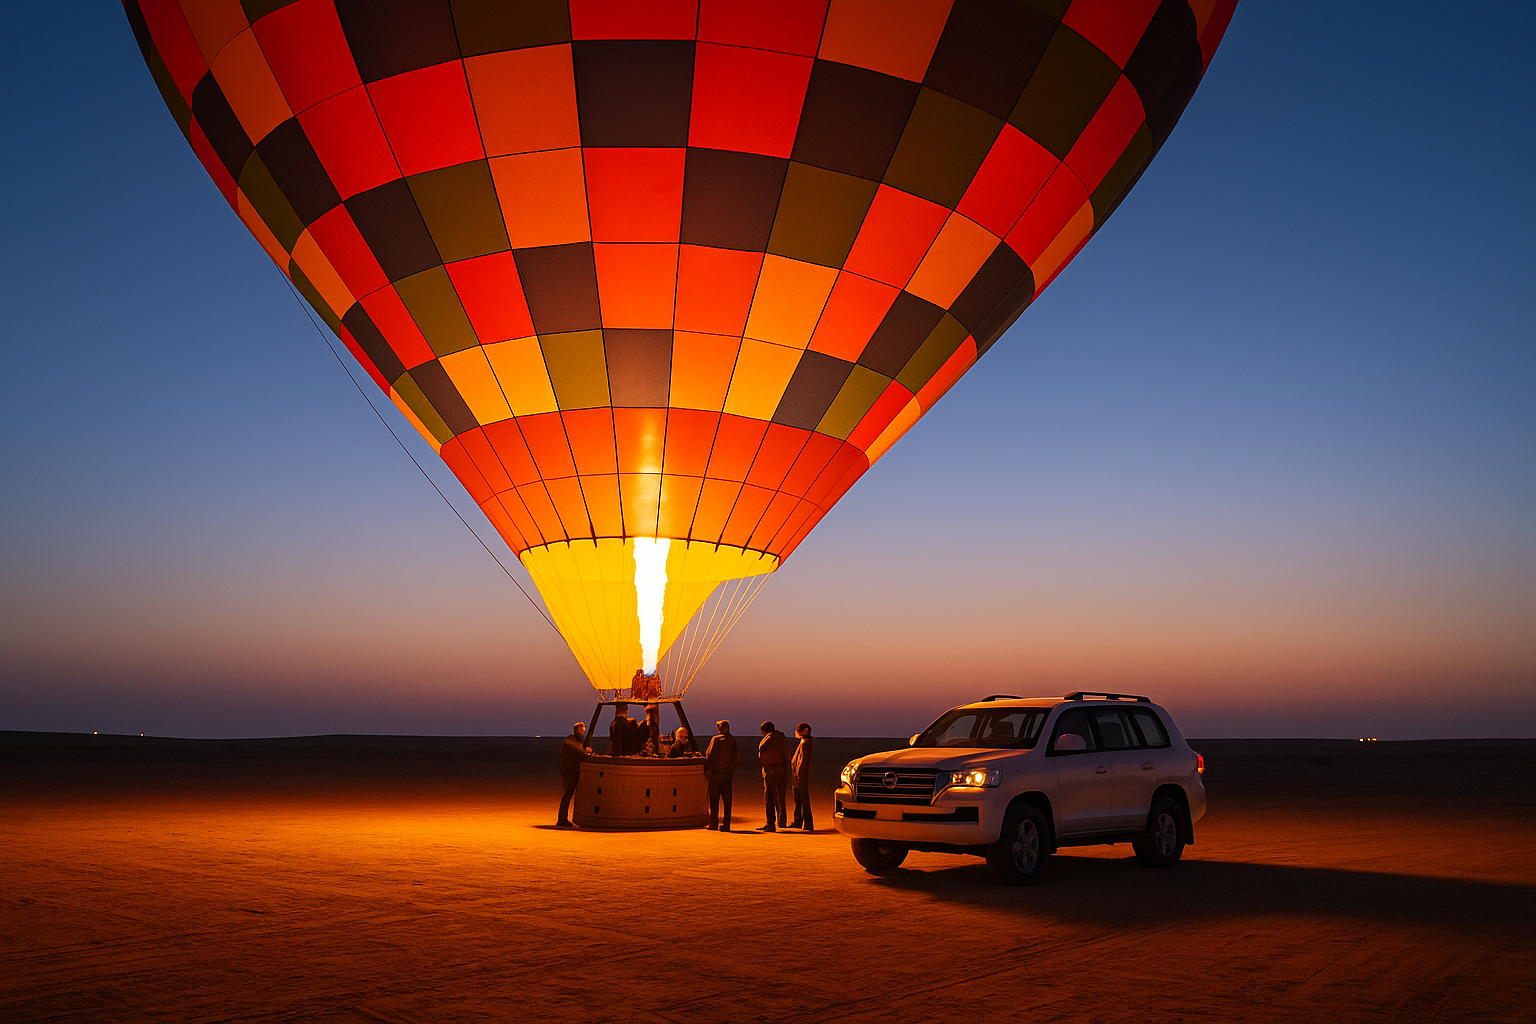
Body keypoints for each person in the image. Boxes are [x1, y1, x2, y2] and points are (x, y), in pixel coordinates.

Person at [704, 720, 740, 830]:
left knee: (714, 801)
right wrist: (730, 770)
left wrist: (708, 770)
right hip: (727, 776)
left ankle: (714, 823)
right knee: (727, 802)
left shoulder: (715, 740)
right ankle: (726, 823)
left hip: (715, 775)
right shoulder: (733, 740)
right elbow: (736, 758)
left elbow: (709, 755)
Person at [758, 721, 790, 831]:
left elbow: (761, 755)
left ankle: (770, 823)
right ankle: (782, 821)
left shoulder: (767, 739)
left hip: (771, 771)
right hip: (781, 770)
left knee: (770, 797)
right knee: (780, 796)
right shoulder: (782, 737)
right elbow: (786, 754)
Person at [556, 721, 587, 827]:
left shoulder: (578, 742)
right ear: (576, 730)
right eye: (581, 730)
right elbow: (581, 752)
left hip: (574, 771)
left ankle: (573, 817)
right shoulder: (569, 742)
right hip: (569, 772)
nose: (583, 732)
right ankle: (561, 818)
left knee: (570, 794)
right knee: (567, 794)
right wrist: (586, 751)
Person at [789, 721, 814, 831]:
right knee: (798, 799)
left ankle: (807, 823)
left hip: (800, 776)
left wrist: (799, 774)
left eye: (799, 730)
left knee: (803, 799)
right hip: (798, 775)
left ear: (805, 731)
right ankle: (798, 820)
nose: (796, 732)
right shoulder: (804, 742)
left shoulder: (806, 743)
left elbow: (802, 761)